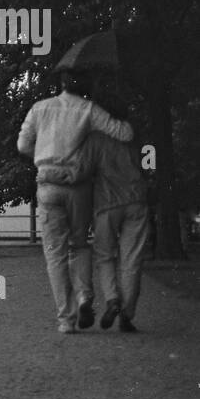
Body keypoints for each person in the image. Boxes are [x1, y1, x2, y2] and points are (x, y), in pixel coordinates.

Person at [17, 69, 133, 333]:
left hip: (48, 185)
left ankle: (66, 320)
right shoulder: (89, 109)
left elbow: (23, 145)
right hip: (77, 187)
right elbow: (123, 134)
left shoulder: (39, 108)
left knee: (55, 255)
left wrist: (45, 152)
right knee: (79, 245)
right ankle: (84, 297)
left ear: (62, 83)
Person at [80, 96, 149, 332]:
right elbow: (146, 164)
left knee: (105, 256)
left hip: (106, 204)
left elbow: (85, 172)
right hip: (136, 201)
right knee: (132, 260)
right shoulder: (133, 136)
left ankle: (112, 299)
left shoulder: (95, 140)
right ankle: (127, 315)